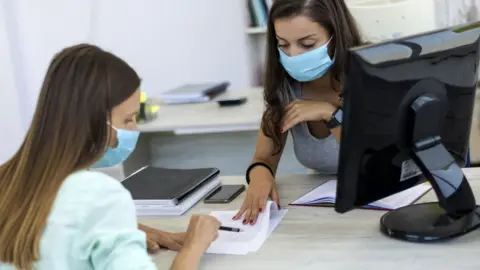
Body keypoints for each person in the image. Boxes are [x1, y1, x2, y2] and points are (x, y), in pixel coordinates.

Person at [0, 44, 220, 270]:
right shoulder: (99, 195)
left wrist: (137, 230)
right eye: (127, 119)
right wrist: (195, 245)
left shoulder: (8, 180)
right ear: (93, 122)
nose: (134, 128)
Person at [234, 0, 363, 224]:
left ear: (337, 35)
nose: (293, 55)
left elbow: (374, 162)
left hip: (380, 203)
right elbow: (263, 158)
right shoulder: (285, 89)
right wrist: (260, 176)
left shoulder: (370, 75)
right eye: (283, 44)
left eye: (307, 44)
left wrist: (331, 115)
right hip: (326, 213)